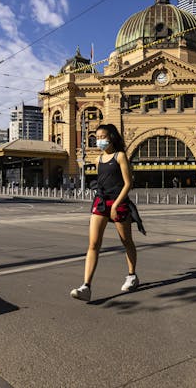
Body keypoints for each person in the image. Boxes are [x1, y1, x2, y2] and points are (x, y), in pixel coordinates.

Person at [71, 124, 138, 301]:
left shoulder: (120, 156)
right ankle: (86, 286)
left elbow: (128, 183)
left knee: (126, 241)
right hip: (101, 202)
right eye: (97, 137)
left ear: (112, 137)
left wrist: (116, 205)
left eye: (103, 136)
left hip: (118, 202)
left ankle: (132, 275)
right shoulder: (98, 159)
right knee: (93, 244)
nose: (100, 140)